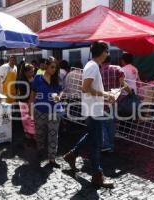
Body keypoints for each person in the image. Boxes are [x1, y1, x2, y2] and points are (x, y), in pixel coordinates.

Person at [63, 42, 114, 188]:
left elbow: (88, 88)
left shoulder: (92, 65)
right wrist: (105, 94)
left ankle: (72, 154)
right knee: (96, 143)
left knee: (92, 136)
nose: (108, 54)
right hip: (93, 110)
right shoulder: (92, 66)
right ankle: (97, 175)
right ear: (103, 52)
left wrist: (104, 95)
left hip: (93, 109)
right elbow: (85, 88)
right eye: (107, 51)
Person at [28, 56, 63, 168]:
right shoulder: (38, 78)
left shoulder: (56, 78)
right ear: (46, 66)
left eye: (56, 68)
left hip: (55, 110)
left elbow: (61, 91)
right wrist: (30, 110)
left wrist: (59, 96)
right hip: (40, 110)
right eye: (52, 67)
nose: (54, 70)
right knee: (40, 133)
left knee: (53, 135)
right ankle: (40, 149)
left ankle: (52, 158)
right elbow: (32, 96)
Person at [100, 56, 131, 152]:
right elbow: (123, 83)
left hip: (102, 102)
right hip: (114, 101)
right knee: (112, 124)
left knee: (103, 123)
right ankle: (111, 146)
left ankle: (106, 144)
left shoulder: (99, 72)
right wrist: (130, 91)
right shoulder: (118, 69)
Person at [15, 63, 35, 139]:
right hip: (24, 102)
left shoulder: (32, 78)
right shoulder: (22, 81)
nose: (32, 73)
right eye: (31, 72)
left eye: (33, 71)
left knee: (31, 118)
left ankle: (32, 132)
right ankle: (27, 132)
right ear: (25, 72)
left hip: (31, 101)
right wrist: (29, 101)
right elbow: (24, 94)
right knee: (26, 119)